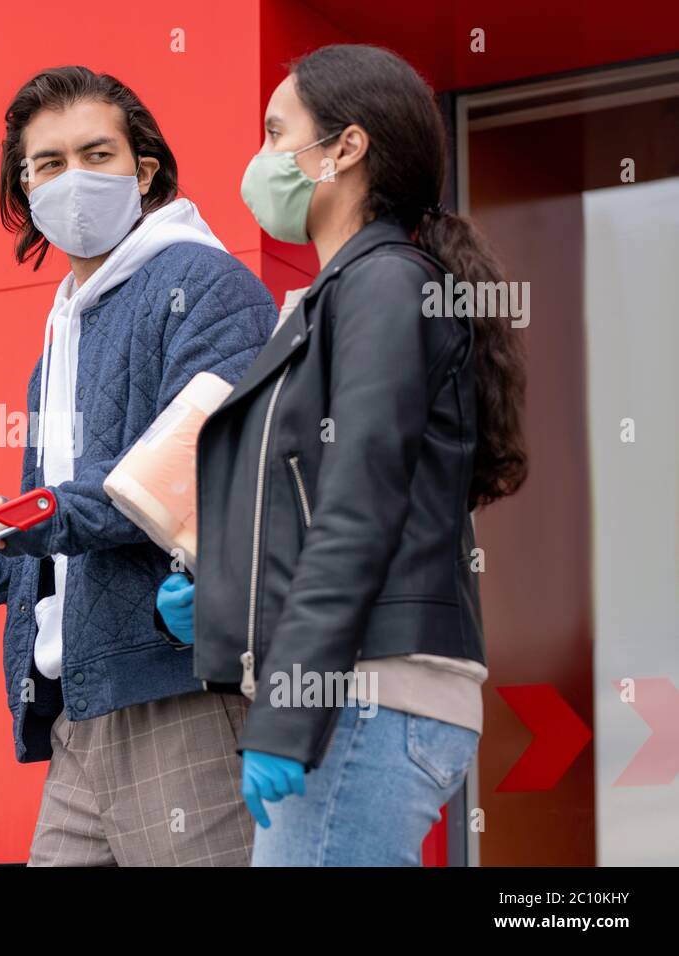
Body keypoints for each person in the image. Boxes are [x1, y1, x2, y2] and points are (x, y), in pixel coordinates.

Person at [0, 66, 276, 866]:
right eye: (49, 163)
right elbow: (57, 545)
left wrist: (25, 520)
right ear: (24, 188)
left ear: (144, 171)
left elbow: (182, 479)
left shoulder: (205, 286)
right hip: (80, 715)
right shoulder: (63, 333)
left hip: (178, 697)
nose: (73, 179)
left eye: (96, 154)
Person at [157, 44, 528, 866]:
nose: (261, 160)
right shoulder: (346, 295)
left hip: (362, 699)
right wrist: (218, 594)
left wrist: (289, 714)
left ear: (344, 149)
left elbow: (357, 508)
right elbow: (309, 498)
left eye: (275, 132)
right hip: (355, 696)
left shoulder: (383, 286)